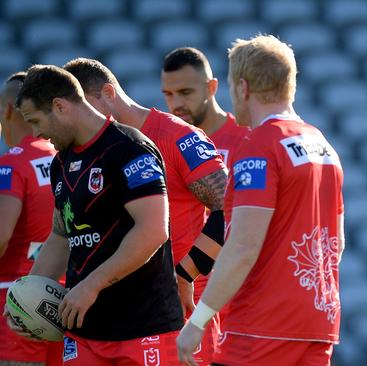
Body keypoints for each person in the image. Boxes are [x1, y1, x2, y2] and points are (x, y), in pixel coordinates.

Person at [176, 35, 345, 366]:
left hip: (262, 327)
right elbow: (337, 243)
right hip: (317, 322)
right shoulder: (323, 146)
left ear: (243, 87)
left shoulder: (261, 146)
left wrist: (197, 322)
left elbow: (242, 246)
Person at [9, 64, 184, 365]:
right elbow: (61, 236)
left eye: (36, 121)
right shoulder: (59, 164)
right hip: (83, 332)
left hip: (143, 326)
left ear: (60, 106)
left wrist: (91, 285)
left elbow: (153, 230)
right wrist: (22, 299)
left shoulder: (130, 148)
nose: (36, 133)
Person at [63, 58, 228, 365]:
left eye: (87, 107)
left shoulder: (178, 136)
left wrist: (185, 273)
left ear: (109, 94)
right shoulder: (85, 151)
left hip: (179, 312)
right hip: (115, 315)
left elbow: (229, 207)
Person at [0, 72, 62, 366]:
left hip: (14, 304)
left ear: (9, 110)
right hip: (61, 302)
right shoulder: (63, 160)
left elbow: (1, 236)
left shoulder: (11, 163)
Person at [161, 47, 249, 168]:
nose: (176, 104)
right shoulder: (163, 147)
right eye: (168, 94)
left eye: (185, 92)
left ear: (211, 88)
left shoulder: (246, 139)